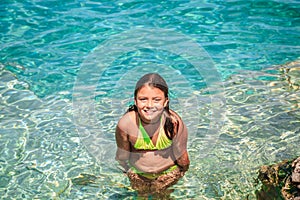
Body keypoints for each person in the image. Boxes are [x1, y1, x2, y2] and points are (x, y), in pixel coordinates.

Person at [115, 73, 190, 198]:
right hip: (138, 176)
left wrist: (173, 177)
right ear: (135, 100)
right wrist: (132, 176)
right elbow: (122, 157)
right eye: (143, 99)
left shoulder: (173, 123)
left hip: (168, 174)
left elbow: (183, 161)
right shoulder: (126, 124)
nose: (149, 105)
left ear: (166, 101)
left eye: (156, 100)